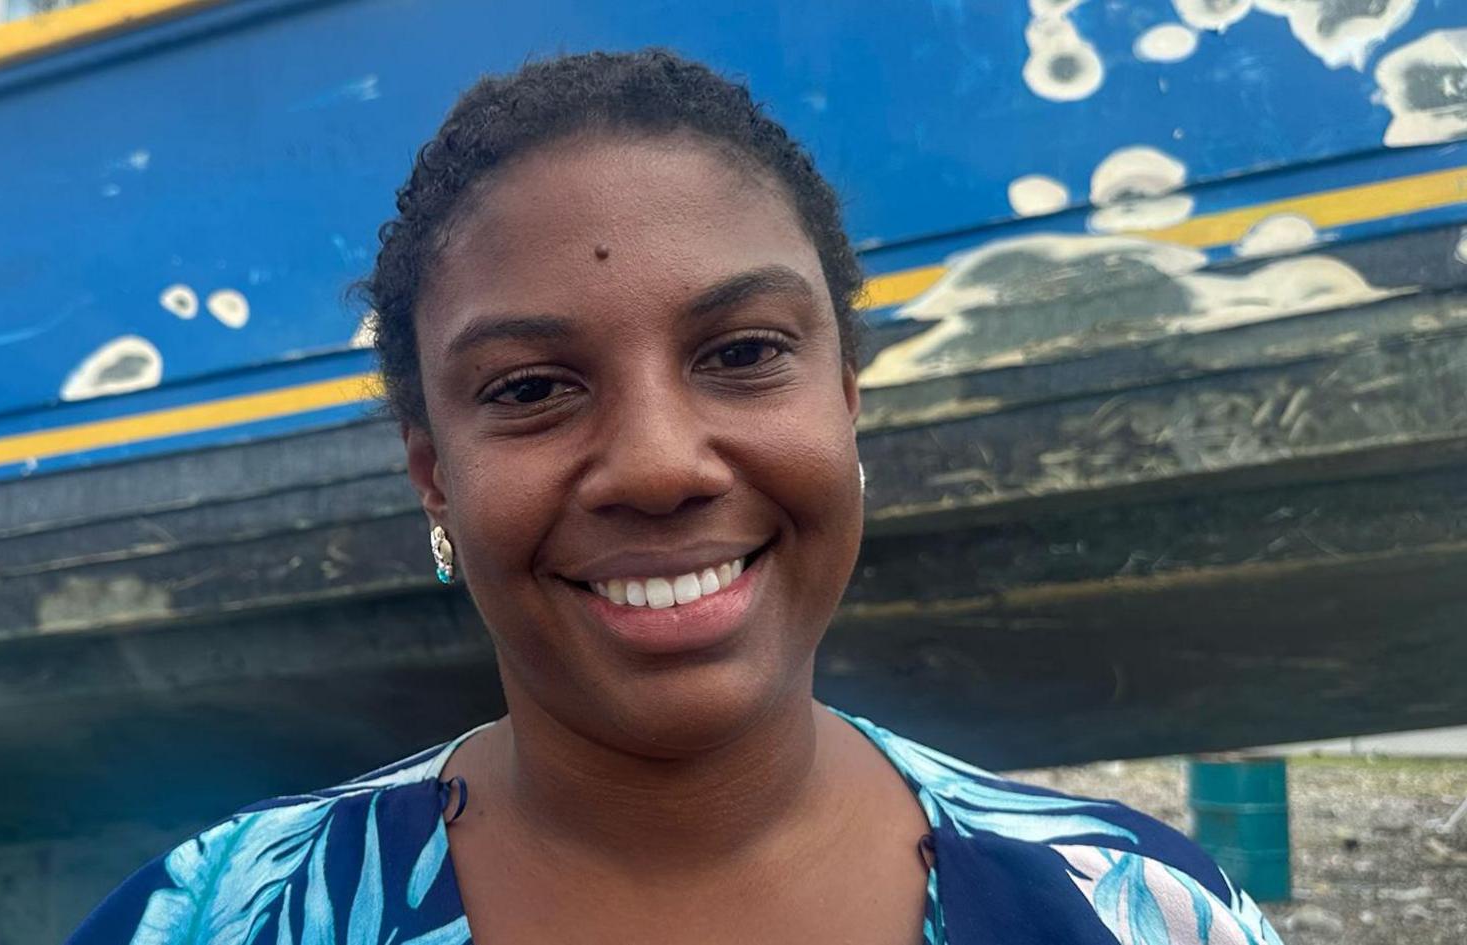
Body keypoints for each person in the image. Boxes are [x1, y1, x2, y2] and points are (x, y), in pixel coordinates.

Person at [68, 51, 1283, 945]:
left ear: (847, 397)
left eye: (745, 353)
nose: (658, 464)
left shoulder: (1145, 916)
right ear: (432, 468)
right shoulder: (221, 921)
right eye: (533, 386)